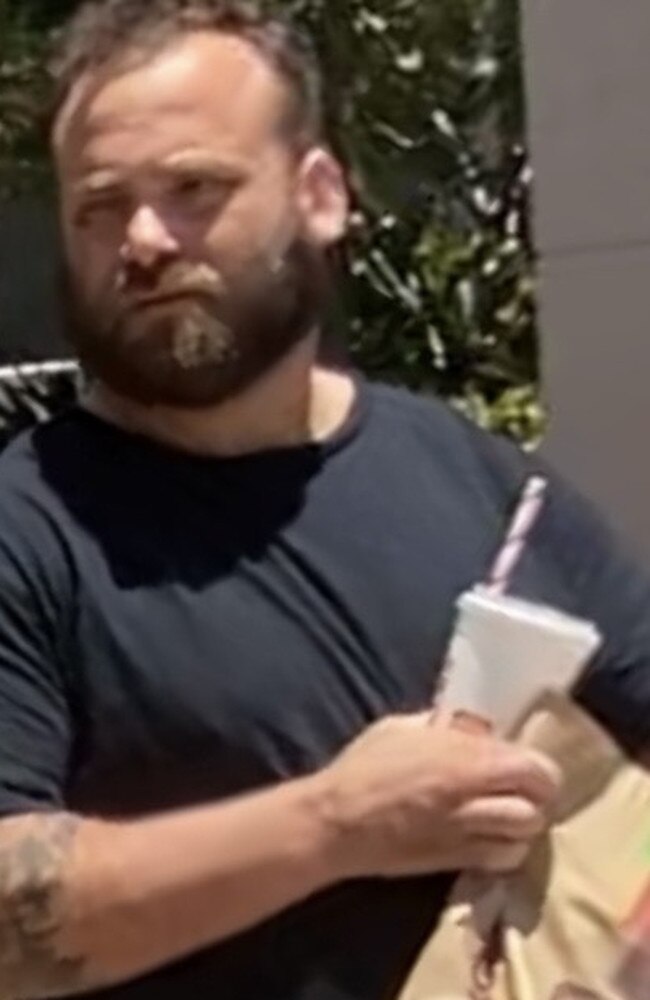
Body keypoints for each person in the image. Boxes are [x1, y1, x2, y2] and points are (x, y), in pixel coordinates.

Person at [0, 1, 648, 998]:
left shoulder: (484, 487)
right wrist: (333, 826)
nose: (142, 239)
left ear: (320, 194)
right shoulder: (27, 528)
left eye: (194, 188)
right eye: (99, 206)